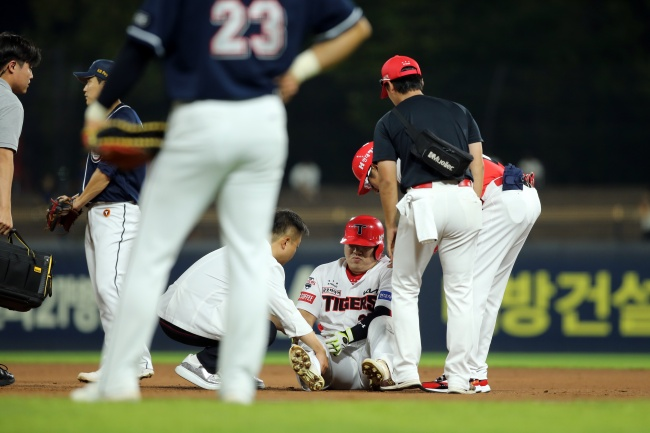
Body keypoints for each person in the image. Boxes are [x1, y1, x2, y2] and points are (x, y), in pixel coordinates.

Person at [71, 0, 371, 404]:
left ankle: (120, 380)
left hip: (201, 114)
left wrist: (96, 109)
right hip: (262, 122)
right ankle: (235, 384)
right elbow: (357, 28)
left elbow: (138, 49)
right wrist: (299, 70)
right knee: (251, 253)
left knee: (151, 251)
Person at [353, 143, 541, 393]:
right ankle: (475, 373)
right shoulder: (417, 157)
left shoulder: (408, 167)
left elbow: (434, 225)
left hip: (501, 199)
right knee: (487, 295)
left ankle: (465, 374)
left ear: (377, 167)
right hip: (519, 196)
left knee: (471, 290)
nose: (375, 190)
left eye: (370, 182)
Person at [373, 55, 484, 394]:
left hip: (423, 201)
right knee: (462, 292)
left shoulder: (388, 121)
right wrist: (470, 202)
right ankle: (461, 378)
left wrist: (391, 224)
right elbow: (477, 165)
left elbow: (389, 182)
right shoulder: (459, 110)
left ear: (389, 85)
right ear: (421, 81)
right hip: (466, 197)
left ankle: (406, 371)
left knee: (406, 288)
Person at [56, 59, 152, 384]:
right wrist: (79, 201)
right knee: (105, 292)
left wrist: (77, 203)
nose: (84, 87)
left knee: (110, 287)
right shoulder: (107, 120)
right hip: (102, 213)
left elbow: (106, 173)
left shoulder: (123, 118)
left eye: (89, 81)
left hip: (119, 211)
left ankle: (133, 359)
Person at [157, 209, 328, 390]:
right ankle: (201, 364)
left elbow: (270, 313)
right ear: (285, 242)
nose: (295, 251)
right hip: (187, 318)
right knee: (263, 329)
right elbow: (288, 314)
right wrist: (319, 350)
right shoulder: (265, 262)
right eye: (296, 246)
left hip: (173, 315)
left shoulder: (245, 249)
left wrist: (290, 329)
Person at [290, 215, 398, 391]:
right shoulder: (323, 272)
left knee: (384, 322)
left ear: (378, 248)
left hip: (369, 352)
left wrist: (348, 335)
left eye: (363, 246)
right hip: (335, 355)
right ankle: (314, 369)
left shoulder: (388, 270)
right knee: (307, 337)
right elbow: (304, 318)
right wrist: (310, 344)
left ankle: (383, 370)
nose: (356, 250)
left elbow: (381, 313)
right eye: (351, 244)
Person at [0, 32, 41, 387]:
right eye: (28, 67)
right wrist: (4, 208)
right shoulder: (9, 102)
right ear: (12, 65)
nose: (31, 74)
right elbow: (4, 157)